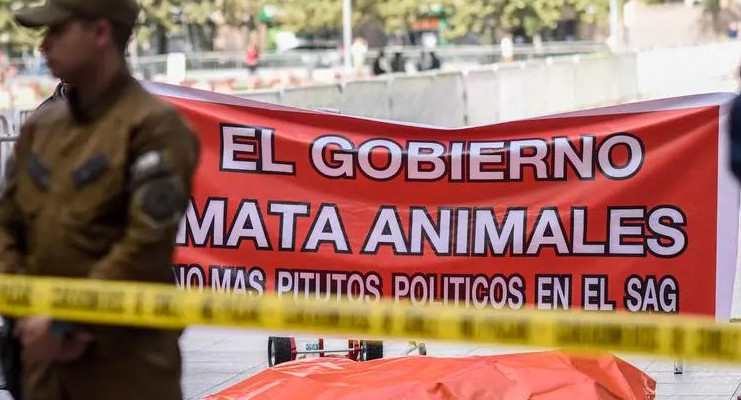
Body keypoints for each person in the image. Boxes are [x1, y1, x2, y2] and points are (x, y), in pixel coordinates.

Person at [1, 0, 200, 399]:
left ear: (100, 34)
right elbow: (7, 227)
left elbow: (144, 246)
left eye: (57, 32)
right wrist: (28, 316)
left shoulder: (154, 127)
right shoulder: (41, 126)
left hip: (124, 369)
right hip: (43, 366)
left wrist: (64, 321)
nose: (44, 46)